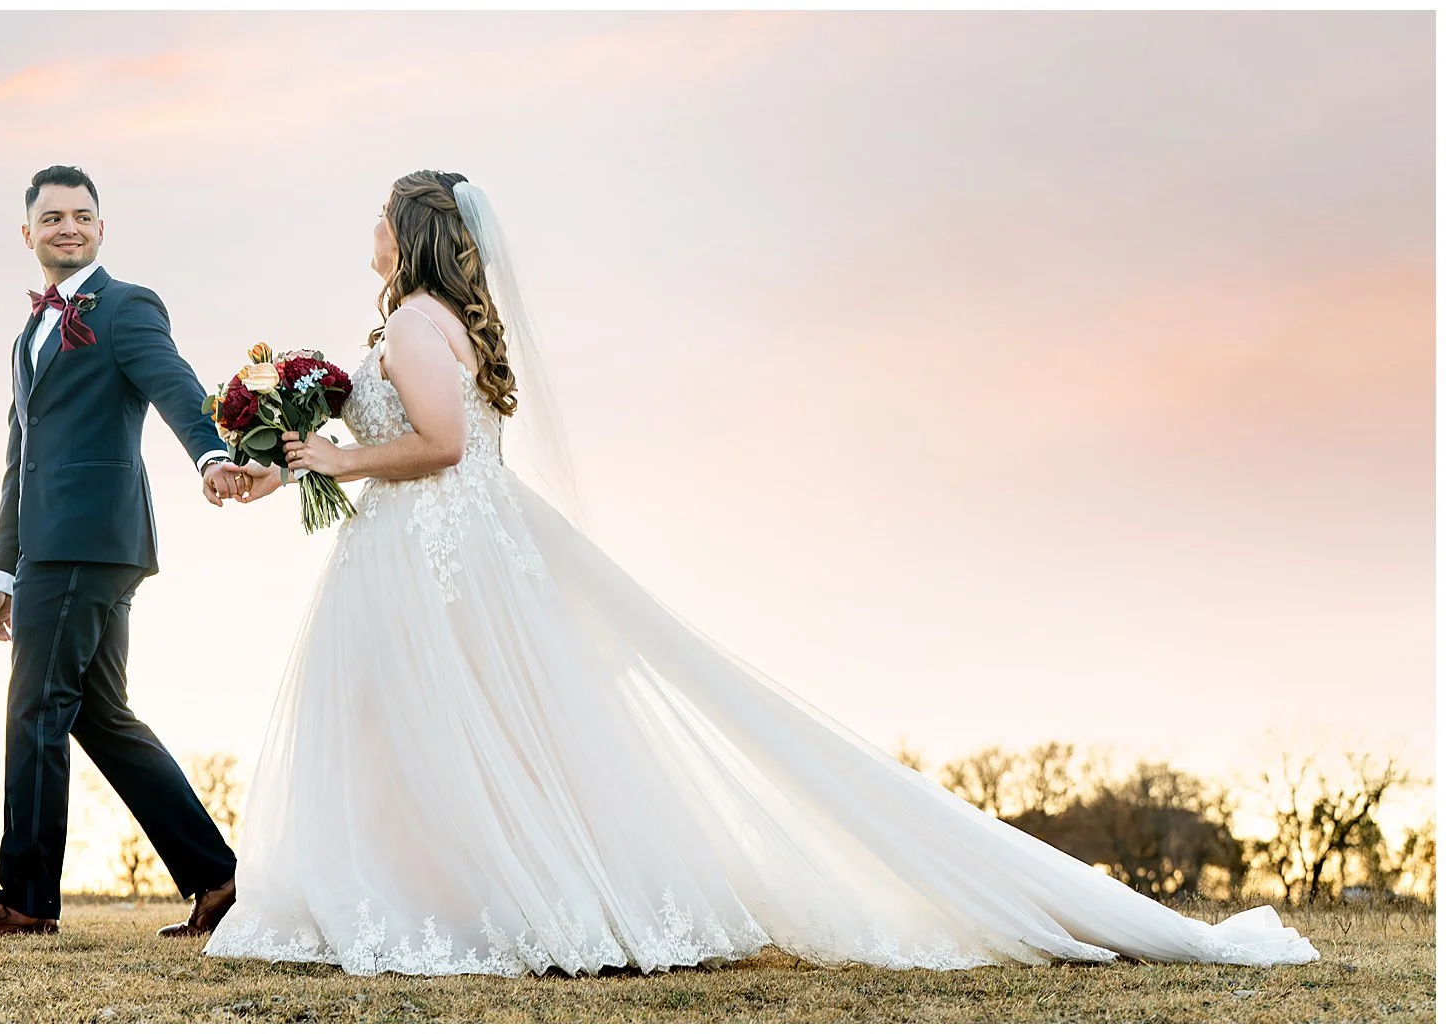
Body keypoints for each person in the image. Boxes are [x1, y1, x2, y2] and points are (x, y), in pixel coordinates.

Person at [199, 169, 1320, 976]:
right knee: (436, 739)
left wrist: (339, 454)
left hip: (432, 564)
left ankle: (463, 904)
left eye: (379, 217)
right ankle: (439, 895)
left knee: (426, 733)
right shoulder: (423, 324)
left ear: (408, 230)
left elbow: (437, 448)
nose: (370, 230)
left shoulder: (411, 324)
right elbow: (384, 438)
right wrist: (276, 464)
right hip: (439, 556)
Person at [0, 165, 280, 940]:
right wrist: (0, 569)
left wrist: (211, 457)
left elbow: (175, 384)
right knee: (98, 715)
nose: (68, 228)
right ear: (29, 234)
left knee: (36, 709)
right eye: (52, 218)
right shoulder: (29, 335)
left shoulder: (124, 306)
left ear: (100, 227)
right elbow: (18, 461)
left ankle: (24, 903)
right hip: (54, 549)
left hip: (89, 541)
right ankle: (218, 881)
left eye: (82, 216)